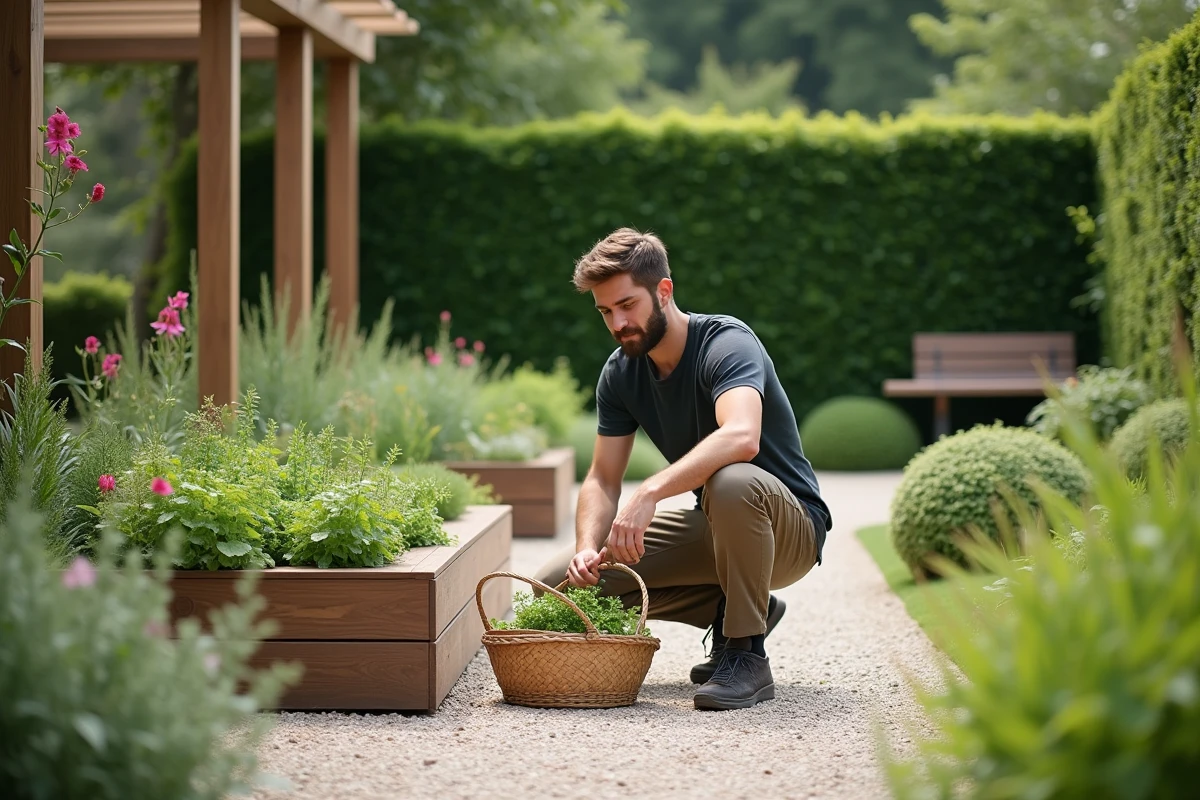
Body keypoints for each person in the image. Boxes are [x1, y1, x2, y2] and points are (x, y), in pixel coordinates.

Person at [534, 227, 833, 711]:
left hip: (788, 527)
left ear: (664, 290)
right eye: (606, 311)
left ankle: (746, 654)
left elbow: (742, 436)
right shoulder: (620, 373)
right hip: (719, 529)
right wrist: (588, 548)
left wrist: (650, 492)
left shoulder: (726, 343)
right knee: (560, 590)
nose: (617, 322)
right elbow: (602, 478)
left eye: (627, 305)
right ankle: (730, 607)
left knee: (732, 479)